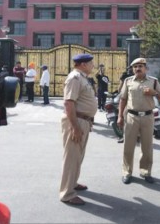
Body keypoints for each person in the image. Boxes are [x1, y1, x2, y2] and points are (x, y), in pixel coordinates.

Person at [117, 58, 160, 184]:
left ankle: (145, 171)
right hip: (131, 116)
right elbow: (123, 99)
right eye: (135, 67)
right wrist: (120, 117)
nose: (137, 68)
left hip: (148, 117)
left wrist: (153, 92)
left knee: (147, 146)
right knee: (128, 146)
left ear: (146, 68)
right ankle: (127, 172)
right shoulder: (128, 81)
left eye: (140, 66)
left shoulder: (153, 81)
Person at [59, 53, 97, 206]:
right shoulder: (74, 78)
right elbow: (69, 103)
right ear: (83, 64)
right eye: (91, 63)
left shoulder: (81, 78)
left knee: (78, 156)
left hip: (83, 121)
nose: (93, 66)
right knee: (72, 157)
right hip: (76, 122)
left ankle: (72, 183)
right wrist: (75, 127)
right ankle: (67, 194)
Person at [116, 67, 134, 144]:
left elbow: (120, 85)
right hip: (128, 97)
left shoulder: (127, 75)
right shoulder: (127, 75)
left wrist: (119, 91)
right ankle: (126, 137)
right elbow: (121, 84)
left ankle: (126, 137)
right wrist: (119, 91)